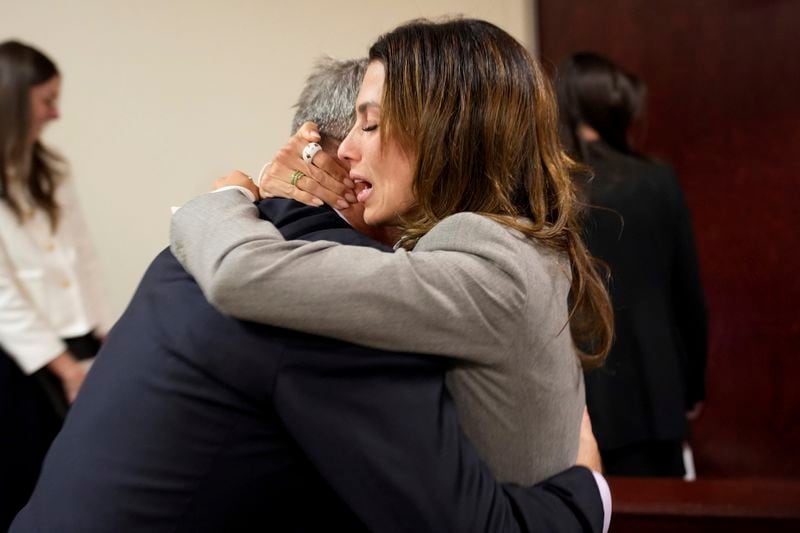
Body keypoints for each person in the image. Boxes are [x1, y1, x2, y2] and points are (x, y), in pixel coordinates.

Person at [13, 57, 610, 533]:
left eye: (375, 126)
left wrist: (227, 195)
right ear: (331, 151)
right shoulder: (330, 299)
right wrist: (589, 489)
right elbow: (457, 519)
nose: (357, 148)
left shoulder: (195, 244)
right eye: (360, 125)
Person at [171, 18, 614, 486]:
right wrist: (293, 201)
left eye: (371, 124)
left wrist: (228, 198)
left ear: (448, 132)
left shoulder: (487, 264)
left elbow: (242, 273)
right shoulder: (518, 245)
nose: (345, 148)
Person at [555, 52, 708, 476]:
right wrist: (693, 386)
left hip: (578, 400)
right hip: (656, 395)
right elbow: (688, 297)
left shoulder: (551, 187)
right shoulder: (657, 179)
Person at [0, 40, 109, 528]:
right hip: (18, 360)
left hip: (76, 339)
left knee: (75, 477)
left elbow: (82, 259)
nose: (56, 113)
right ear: (12, 100)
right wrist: (66, 369)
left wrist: (105, 337)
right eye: (46, 100)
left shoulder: (51, 169)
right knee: (23, 483)